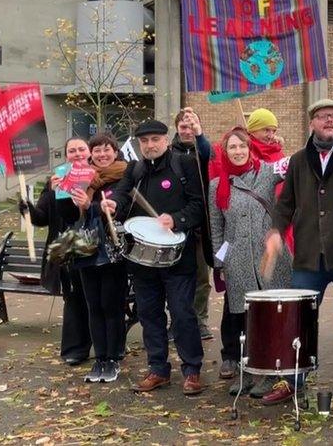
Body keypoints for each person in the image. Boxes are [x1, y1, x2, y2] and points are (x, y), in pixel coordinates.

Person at [263, 99, 333, 406]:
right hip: (309, 255)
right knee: (297, 320)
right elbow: (285, 203)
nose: (329, 121)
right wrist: (276, 230)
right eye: (322, 117)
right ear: (311, 122)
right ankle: (292, 380)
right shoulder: (299, 160)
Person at [101, 119, 206, 396]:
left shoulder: (183, 164)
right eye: (144, 141)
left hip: (178, 257)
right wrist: (113, 204)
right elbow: (122, 197)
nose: (150, 145)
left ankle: (192, 369)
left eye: (155, 140)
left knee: (183, 314)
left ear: (165, 140)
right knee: (149, 315)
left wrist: (177, 219)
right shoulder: (134, 169)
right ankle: (158, 369)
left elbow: (199, 205)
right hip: (142, 259)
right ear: (139, 144)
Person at [208, 127, 291, 396]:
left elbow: (296, 163)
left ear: (250, 148)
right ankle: (249, 372)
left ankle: (272, 373)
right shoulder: (216, 186)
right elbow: (216, 226)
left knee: (272, 317)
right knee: (245, 320)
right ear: (225, 152)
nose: (238, 151)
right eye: (232, 147)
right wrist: (220, 262)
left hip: (270, 256)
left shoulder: (267, 172)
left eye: (242, 146)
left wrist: (277, 145)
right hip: (237, 259)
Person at [21, 137, 93, 365]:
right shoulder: (55, 181)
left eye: (82, 149)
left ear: (89, 152)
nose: (78, 153)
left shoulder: (98, 176)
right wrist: (28, 208)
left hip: (91, 247)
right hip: (65, 251)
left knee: (93, 299)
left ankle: (105, 349)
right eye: (72, 150)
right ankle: (74, 349)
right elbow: (41, 218)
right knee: (73, 299)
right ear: (66, 155)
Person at [70, 133, 129, 383]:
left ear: (115, 151)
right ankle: (100, 358)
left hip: (113, 250)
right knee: (93, 305)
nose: (102, 155)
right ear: (91, 154)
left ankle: (114, 357)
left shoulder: (126, 175)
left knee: (111, 304)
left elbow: (124, 207)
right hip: (87, 247)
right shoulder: (82, 178)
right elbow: (66, 212)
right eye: (97, 151)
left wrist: (91, 206)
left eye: (107, 149)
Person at [172, 108, 214, 341]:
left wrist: (200, 136)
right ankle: (177, 320)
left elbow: (210, 156)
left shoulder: (204, 150)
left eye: (192, 126)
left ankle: (200, 320)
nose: (187, 131)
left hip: (201, 226)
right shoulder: (170, 153)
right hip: (177, 224)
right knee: (176, 278)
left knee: (201, 277)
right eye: (183, 126)